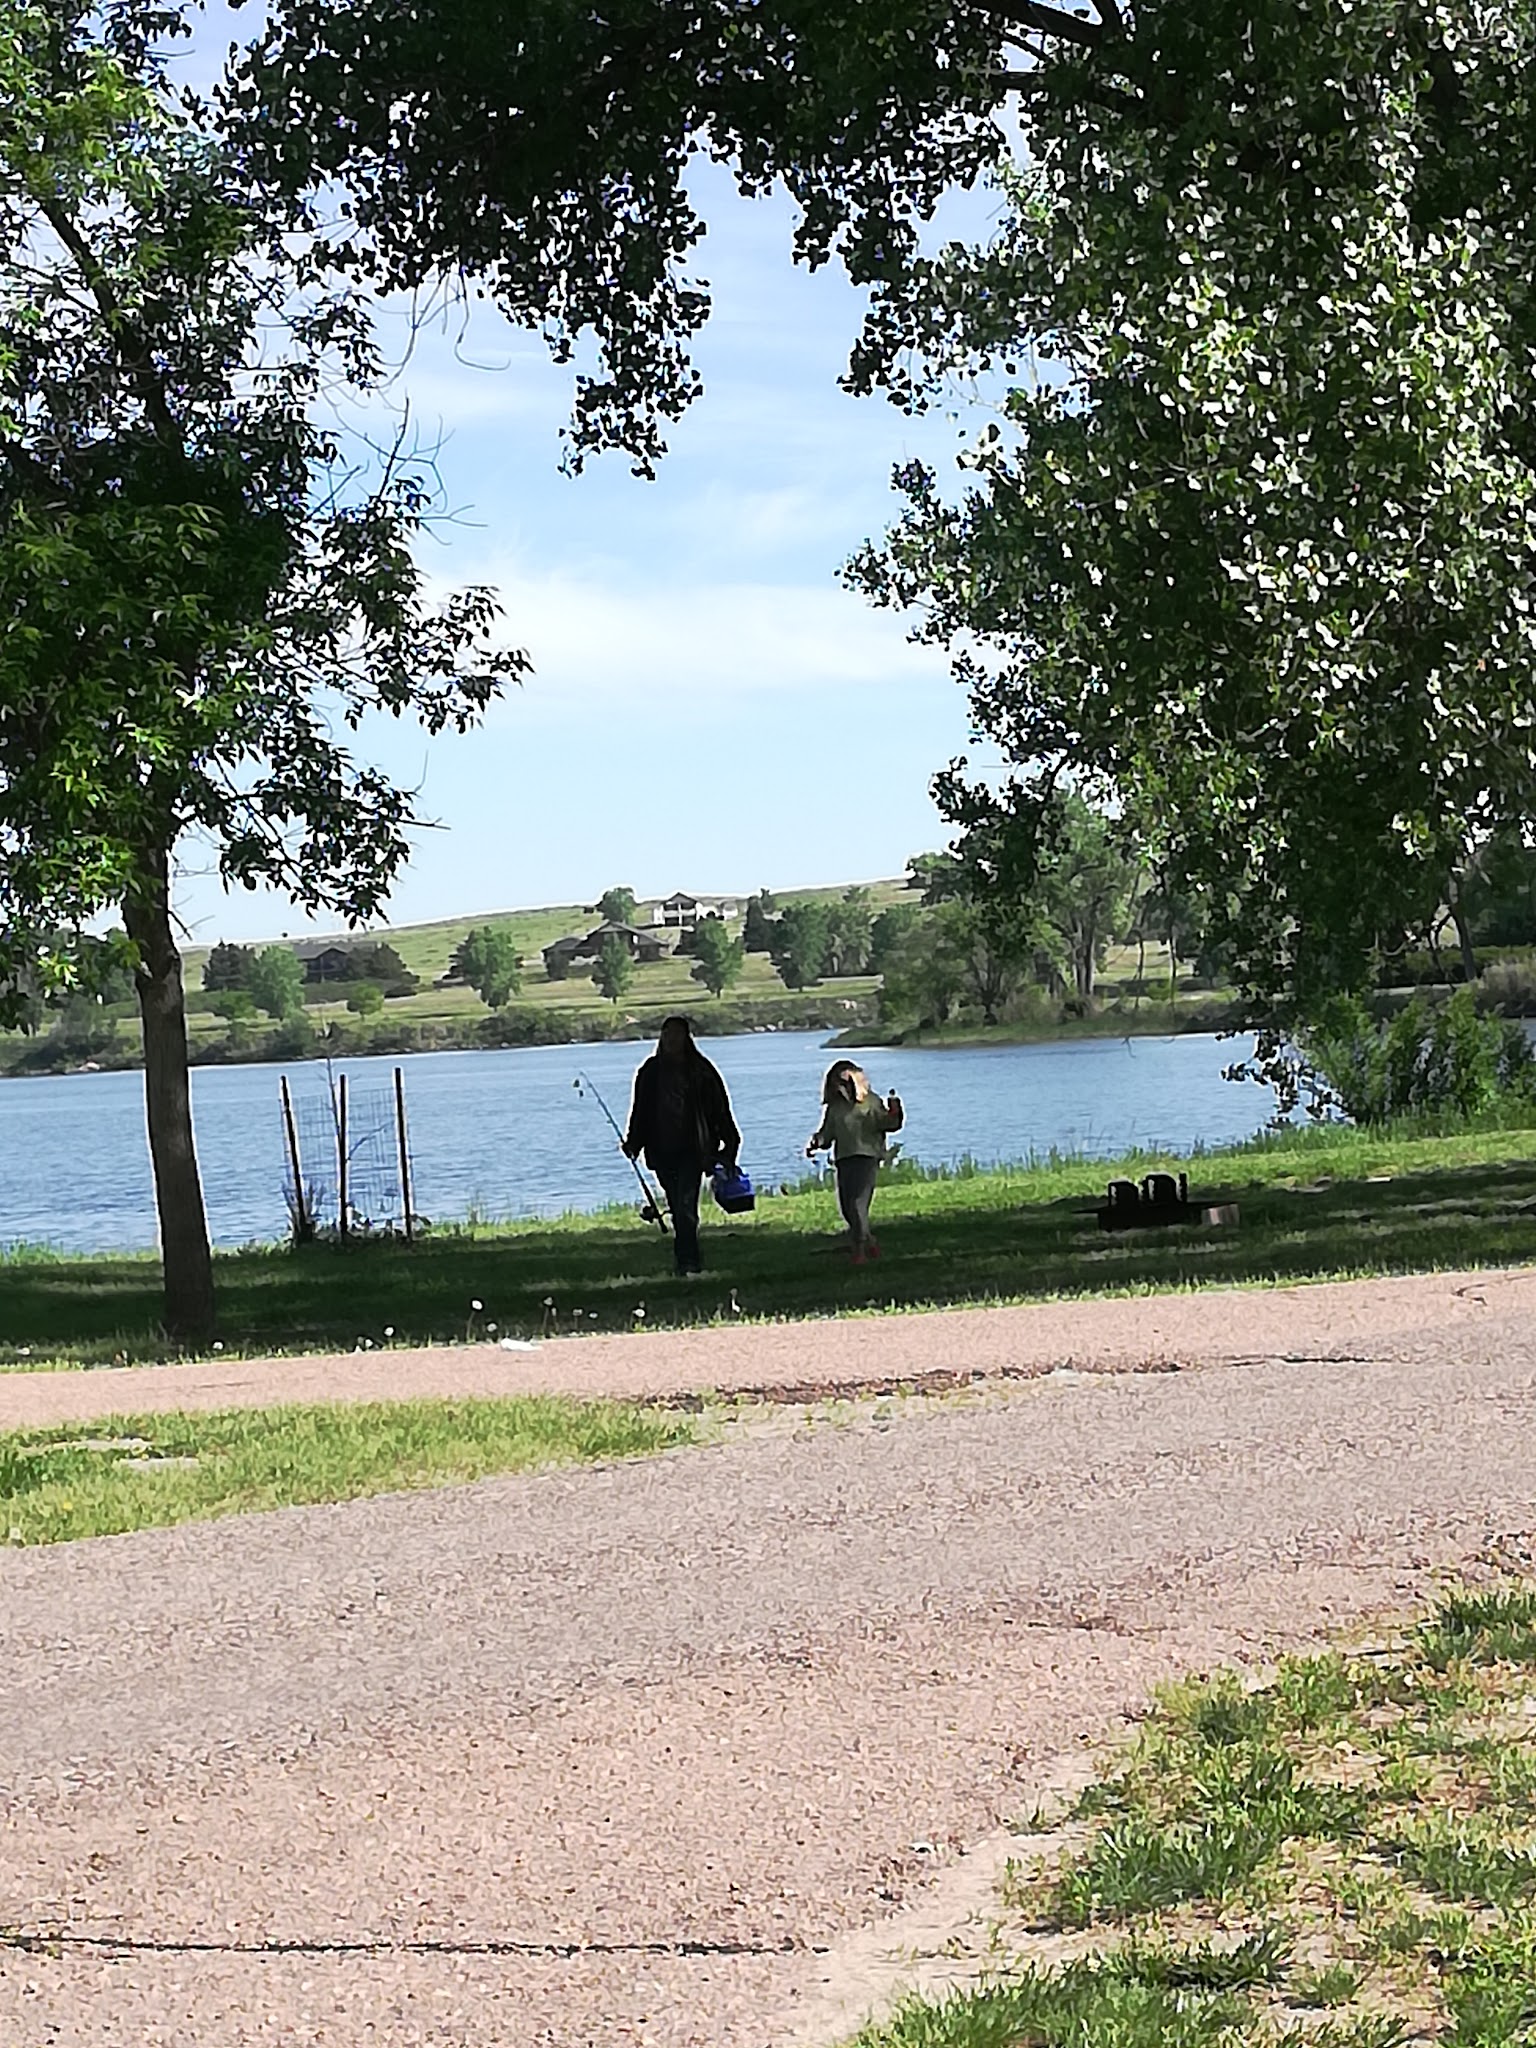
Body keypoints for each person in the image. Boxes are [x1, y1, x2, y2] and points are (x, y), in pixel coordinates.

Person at [623, 1016, 741, 1277]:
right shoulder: (650, 1072)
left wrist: (729, 1145)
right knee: (677, 1205)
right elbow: (640, 1111)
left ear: (686, 1038)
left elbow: (720, 1109)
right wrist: (633, 1142)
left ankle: (688, 1261)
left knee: (686, 1205)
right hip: (660, 1150)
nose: (671, 1040)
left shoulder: (701, 1070)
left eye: (676, 1035)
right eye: (667, 1034)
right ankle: (686, 1258)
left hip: (694, 1150)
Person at [805, 1060, 903, 1264]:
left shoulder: (871, 1102)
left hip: (866, 1157)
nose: (842, 1087)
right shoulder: (835, 1108)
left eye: (846, 1081)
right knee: (847, 1207)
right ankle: (870, 1241)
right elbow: (827, 1134)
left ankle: (858, 1250)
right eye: (838, 1083)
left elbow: (888, 1124)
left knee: (858, 1203)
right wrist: (817, 1141)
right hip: (844, 1159)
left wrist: (895, 1113)